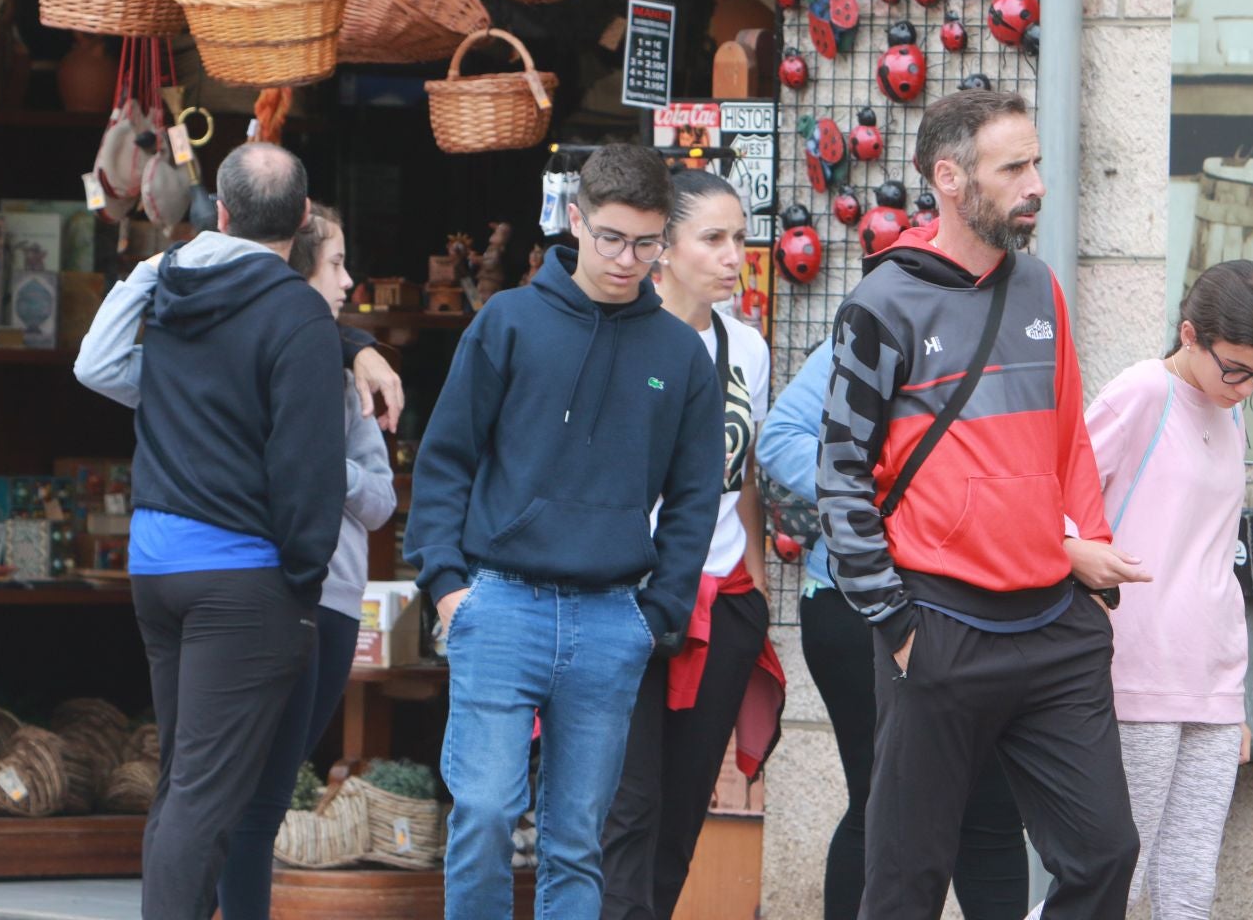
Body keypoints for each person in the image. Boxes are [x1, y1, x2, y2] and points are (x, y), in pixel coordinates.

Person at [816, 88, 1146, 920]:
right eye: (1014, 168)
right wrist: (897, 628)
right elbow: (841, 475)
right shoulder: (881, 305)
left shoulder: (1039, 287)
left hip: (1055, 627)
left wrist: (1091, 572)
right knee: (907, 883)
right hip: (939, 627)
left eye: (1036, 163)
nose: (1036, 184)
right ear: (950, 178)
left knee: (1105, 853)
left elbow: (1069, 443)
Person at [404, 144, 725, 920]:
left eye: (646, 244)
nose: (627, 260)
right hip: (499, 604)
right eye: (611, 238)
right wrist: (445, 586)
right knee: (483, 815)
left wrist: (658, 613)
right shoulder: (508, 322)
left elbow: (695, 498)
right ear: (575, 220)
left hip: (612, 617)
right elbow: (446, 458)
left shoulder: (681, 354)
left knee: (577, 842)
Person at [75, 202, 397, 920]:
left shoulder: (324, 361)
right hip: (269, 584)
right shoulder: (208, 355)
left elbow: (373, 496)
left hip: (288, 586)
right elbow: (97, 365)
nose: (349, 280)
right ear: (294, 268)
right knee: (219, 795)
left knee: (208, 790)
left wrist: (348, 358)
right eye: (336, 263)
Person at [759, 338, 1029, 920]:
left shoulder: (1023, 326)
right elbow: (781, 438)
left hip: (983, 605)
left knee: (992, 807)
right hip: (859, 603)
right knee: (883, 805)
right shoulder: (880, 324)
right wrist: (884, 501)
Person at [601, 168, 785, 920]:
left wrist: (756, 585)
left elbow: (746, 479)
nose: (733, 255)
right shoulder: (618, 337)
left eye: (739, 237)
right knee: (628, 806)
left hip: (721, 601)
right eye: (712, 238)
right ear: (664, 247)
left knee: (682, 812)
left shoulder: (748, 349)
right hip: (626, 598)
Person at [1085, 260, 1253, 919]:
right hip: (1138, 669)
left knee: (1189, 885)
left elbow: (1214, 554)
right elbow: (1057, 499)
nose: (1247, 387)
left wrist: (1232, 693)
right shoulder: (1143, 393)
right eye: (1235, 369)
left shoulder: (1231, 413)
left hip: (1212, 675)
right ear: (1189, 335)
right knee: (1117, 881)